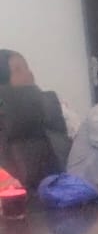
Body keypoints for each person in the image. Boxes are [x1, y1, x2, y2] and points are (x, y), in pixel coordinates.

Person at [0, 49, 75, 185]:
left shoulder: (52, 104)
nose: (29, 73)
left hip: (59, 185)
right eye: (18, 70)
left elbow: (76, 140)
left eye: (27, 67)